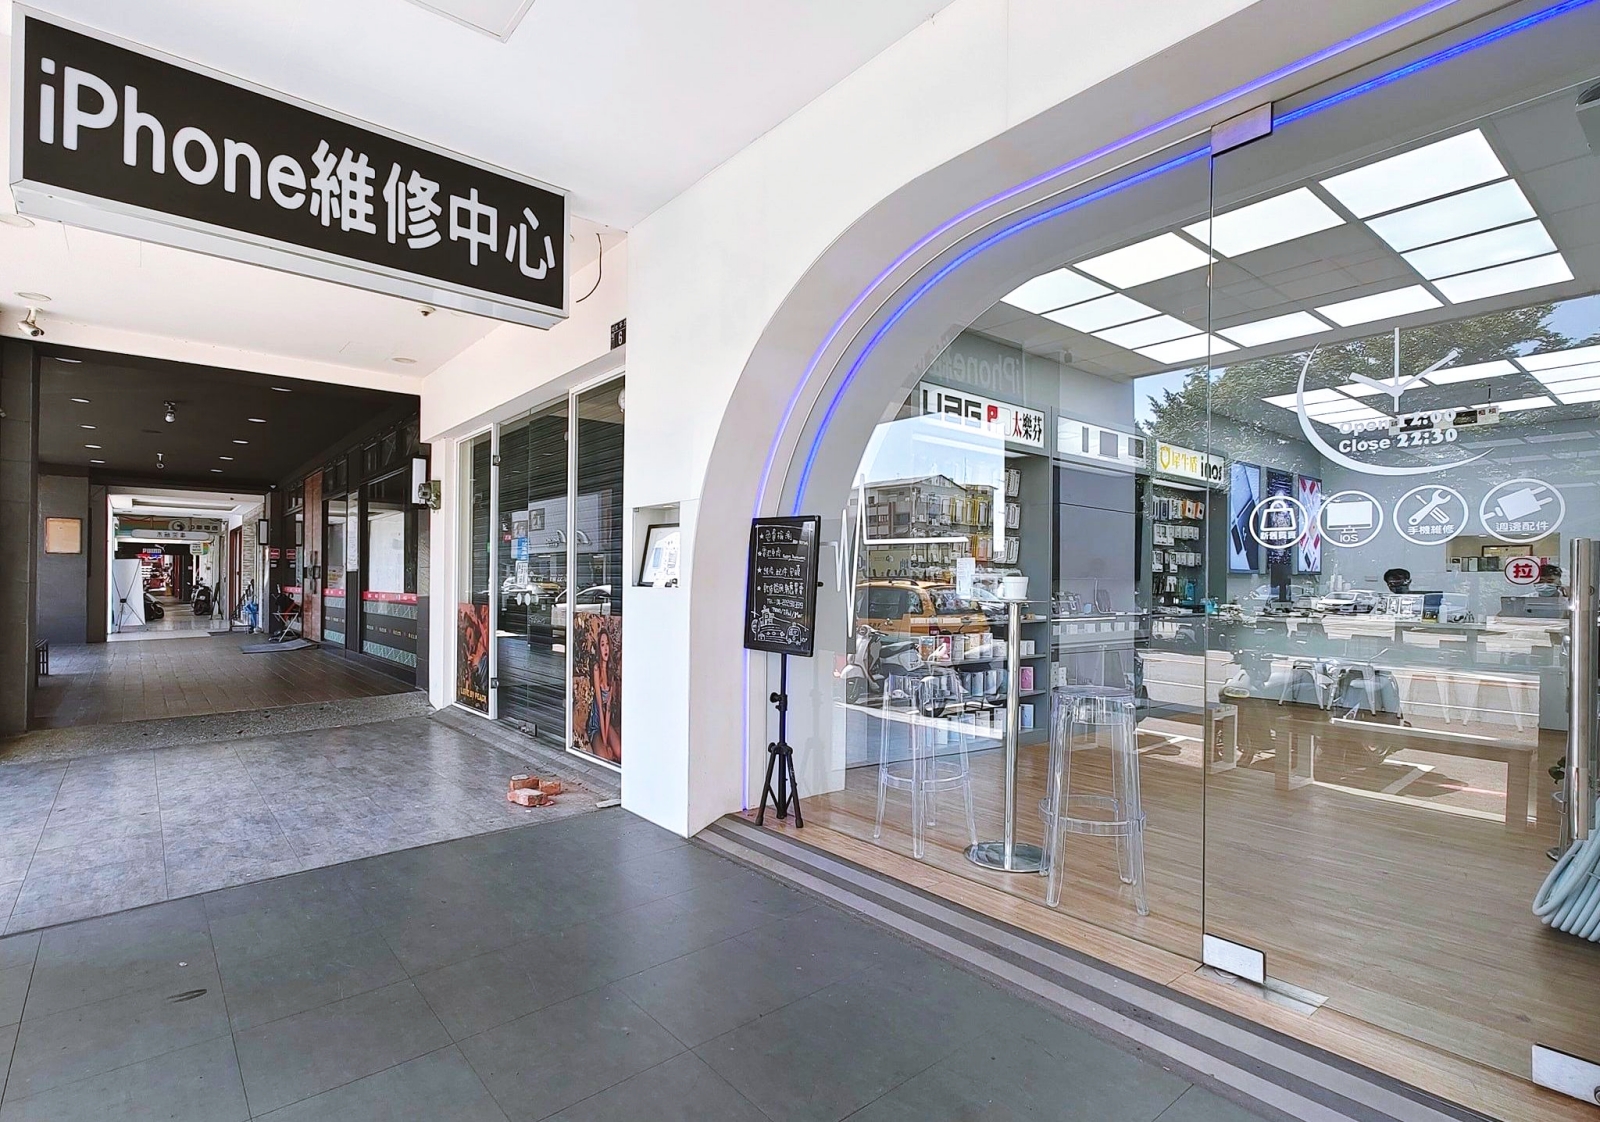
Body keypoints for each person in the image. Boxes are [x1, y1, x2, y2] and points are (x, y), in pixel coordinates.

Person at [584, 623, 621, 762]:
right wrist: (605, 743)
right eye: (602, 644)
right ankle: (601, 742)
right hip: (595, 721)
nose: (605, 648)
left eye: (607, 644)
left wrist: (607, 738)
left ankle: (607, 742)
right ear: (599, 648)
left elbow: (608, 709)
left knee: (620, 752)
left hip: (606, 720)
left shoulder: (611, 672)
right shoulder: (596, 669)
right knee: (604, 757)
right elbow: (600, 707)